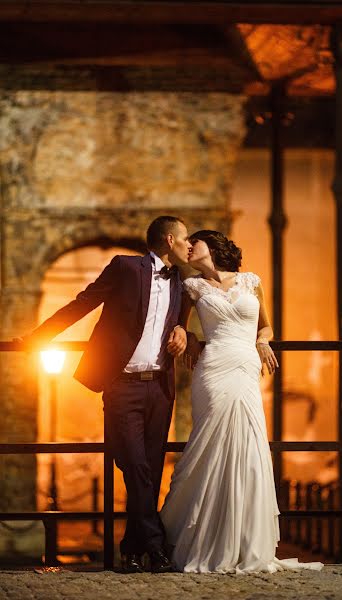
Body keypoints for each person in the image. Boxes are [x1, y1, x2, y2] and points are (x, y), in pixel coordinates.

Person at [20, 216, 192, 573]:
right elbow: (85, 301)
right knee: (135, 465)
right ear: (170, 239)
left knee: (149, 471)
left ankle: (131, 549)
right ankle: (156, 548)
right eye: (186, 239)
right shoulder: (126, 268)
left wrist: (182, 330)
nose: (189, 246)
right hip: (122, 385)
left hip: (160, 388)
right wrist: (40, 336)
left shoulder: (183, 280)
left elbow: (184, 317)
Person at [160, 230, 324, 574]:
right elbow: (177, 326)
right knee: (211, 445)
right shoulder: (192, 287)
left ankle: (245, 540)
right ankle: (201, 539)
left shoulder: (250, 281)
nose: (189, 248)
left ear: (213, 247)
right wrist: (188, 336)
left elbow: (266, 327)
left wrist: (263, 341)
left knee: (248, 448)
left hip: (246, 368)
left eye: (195, 243)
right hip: (213, 369)